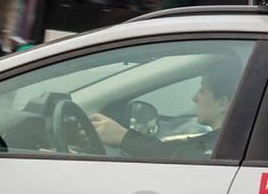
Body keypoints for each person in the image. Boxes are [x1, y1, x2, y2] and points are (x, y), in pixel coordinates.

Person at [90, 56, 241, 161]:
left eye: (202, 90)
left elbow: (178, 155)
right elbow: (176, 149)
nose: (194, 98)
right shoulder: (224, 143)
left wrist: (122, 137)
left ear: (223, 103)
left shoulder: (223, 150)